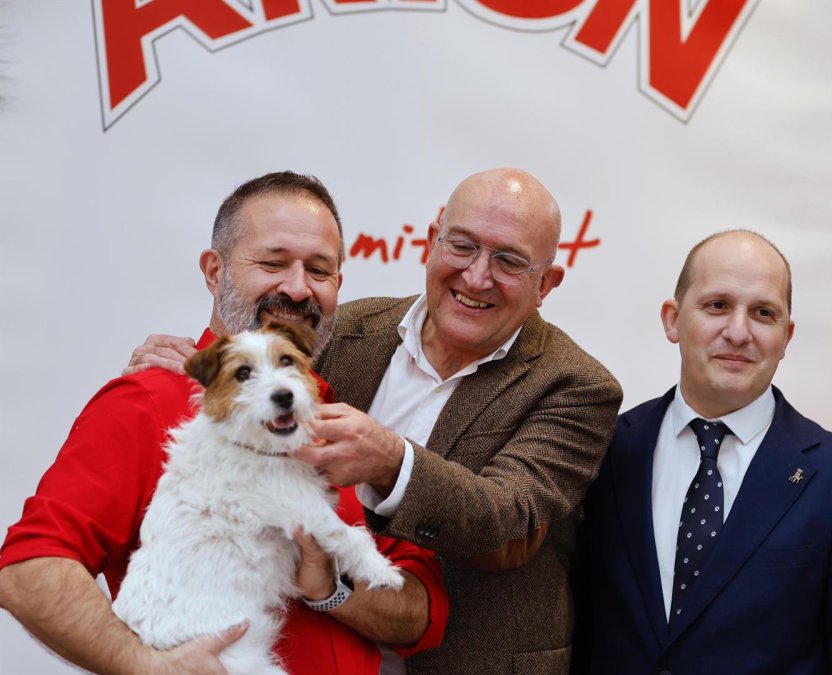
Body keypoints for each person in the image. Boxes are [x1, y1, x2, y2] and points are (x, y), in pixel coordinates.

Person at [127, 167, 623, 673]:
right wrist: (193, 362)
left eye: (509, 261)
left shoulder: (578, 385)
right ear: (432, 242)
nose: (477, 276)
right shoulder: (343, 331)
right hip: (315, 652)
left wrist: (392, 462)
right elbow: (256, 392)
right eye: (463, 246)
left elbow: (506, 519)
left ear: (547, 283)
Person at [0, 172, 447, 675]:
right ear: (214, 272)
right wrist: (145, 666)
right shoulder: (146, 400)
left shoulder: (343, 423)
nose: (297, 288)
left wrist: (331, 590)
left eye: (319, 270)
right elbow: (28, 569)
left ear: (338, 286)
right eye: (273, 262)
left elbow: (420, 613)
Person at [576, 230, 832, 673]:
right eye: (717, 306)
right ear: (672, 319)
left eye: (763, 313)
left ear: (786, 336)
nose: (737, 331)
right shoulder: (605, 449)